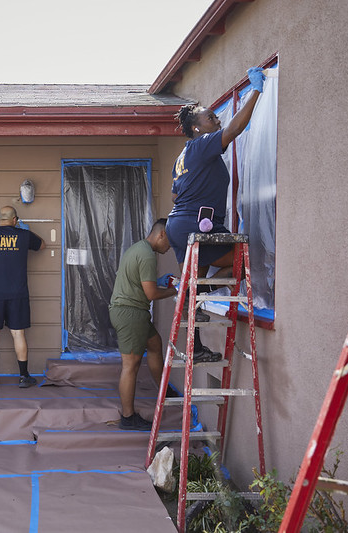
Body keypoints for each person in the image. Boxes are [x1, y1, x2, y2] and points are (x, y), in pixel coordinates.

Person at [166, 67, 266, 358]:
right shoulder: (202, 144)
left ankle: (194, 343)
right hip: (196, 224)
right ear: (196, 127)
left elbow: (175, 193)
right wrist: (257, 91)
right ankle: (192, 296)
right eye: (211, 117)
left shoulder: (183, 155)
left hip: (180, 222)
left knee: (195, 277)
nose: (217, 119)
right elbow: (234, 131)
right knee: (242, 260)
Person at [109, 219, 179, 431]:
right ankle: (128, 417)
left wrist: (160, 282)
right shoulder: (148, 255)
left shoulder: (139, 248)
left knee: (155, 344)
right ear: (161, 235)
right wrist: (178, 290)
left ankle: (163, 391)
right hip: (130, 313)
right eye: (171, 241)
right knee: (131, 365)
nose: (170, 248)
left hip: (131, 311)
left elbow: (141, 284)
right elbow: (151, 294)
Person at [0, 205, 45, 388]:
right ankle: (24, 376)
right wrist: (24, 230)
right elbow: (42, 245)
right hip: (17, 294)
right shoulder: (24, 236)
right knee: (18, 334)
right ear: (15, 220)